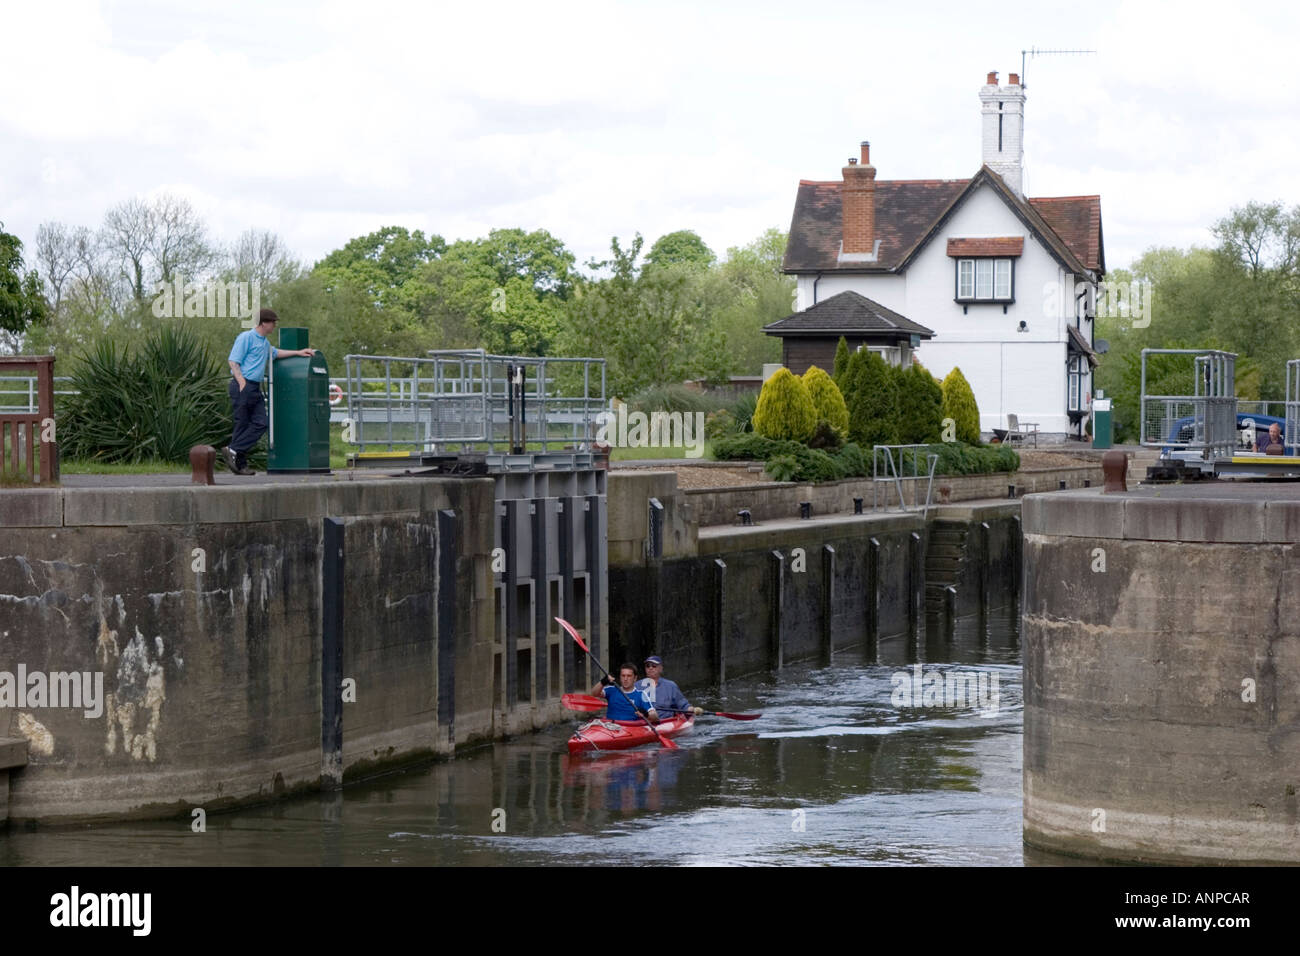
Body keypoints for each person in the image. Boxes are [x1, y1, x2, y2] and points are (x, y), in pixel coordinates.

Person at [224, 308, 315, 475]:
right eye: (273, 322)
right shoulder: (246, 337)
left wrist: (298, 352)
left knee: (261, 423)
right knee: (242, 423)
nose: (274, 326)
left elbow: (275, 353)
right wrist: (242, 383)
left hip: (255, 386)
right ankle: (240, 464)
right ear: (264, 323)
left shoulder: (264, 343)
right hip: (242, 385)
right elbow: (233, 361)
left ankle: (233, 450)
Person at [637, 656, 702, 720]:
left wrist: (692, 710)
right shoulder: (637, 686)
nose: (650, 668)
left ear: (661, 668)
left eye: (654, 666)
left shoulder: (671, 686)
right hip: (643, 722)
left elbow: (683, 705)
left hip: (666, 721)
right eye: (648, 666)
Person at [591, 664, 657, 722]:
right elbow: (594, 693)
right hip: (610, 727)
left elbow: (655, 716)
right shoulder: (611, 690)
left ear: (635, 678)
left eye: (629, 676)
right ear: (620, 677)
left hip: (629, 730)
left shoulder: (641, 694)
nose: (625, 679)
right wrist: (603, 682)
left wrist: (646, 714)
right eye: (623, 676)